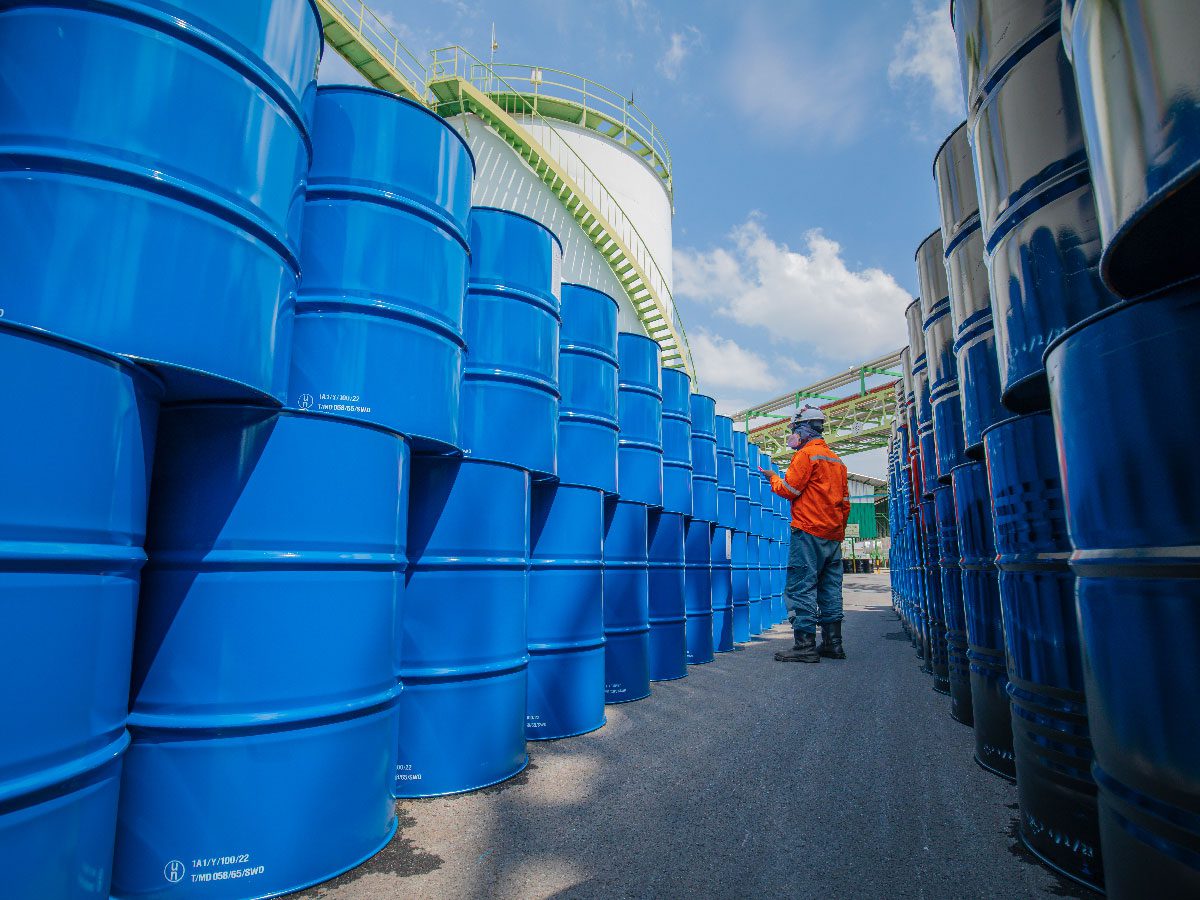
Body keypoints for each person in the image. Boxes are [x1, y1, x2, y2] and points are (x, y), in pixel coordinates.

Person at [759, 405, 851, 663]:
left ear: (805, 429)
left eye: (795, 429)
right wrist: (837, 530)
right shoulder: (837, 461)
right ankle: (833, 644)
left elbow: (789, 489)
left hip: (808, 530)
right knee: (830, 588)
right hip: (833, 535)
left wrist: (773, 478)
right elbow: (845, 503)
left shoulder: (806, 455)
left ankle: (805, 646)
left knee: (801, 586)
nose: (793, 435)